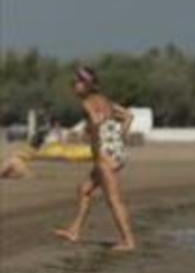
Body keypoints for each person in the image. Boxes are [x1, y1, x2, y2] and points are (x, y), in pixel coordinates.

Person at [54, 67, 136, 251]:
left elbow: (97, 121)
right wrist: (118, 139)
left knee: (113, 199)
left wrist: (91, 134)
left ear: (87, 85)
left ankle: (128, 241)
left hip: (105, 156)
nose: (74, 85)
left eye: (78, 82)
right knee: (84, 189)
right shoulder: (105, 100)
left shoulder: (88, 103)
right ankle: (74, 231)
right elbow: (129, 117)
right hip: (114, 151)